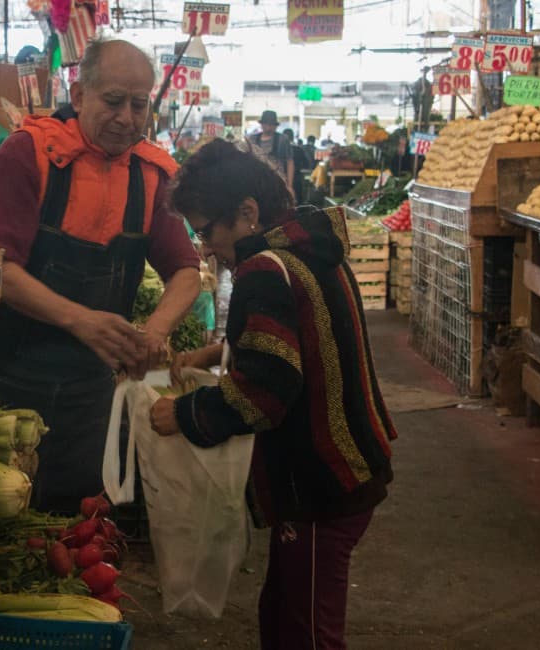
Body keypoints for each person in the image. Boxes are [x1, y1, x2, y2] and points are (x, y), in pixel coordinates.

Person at [149, 139, 396, 650]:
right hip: (352, 463)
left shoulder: (264, 269)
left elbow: (265, 393)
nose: (205, 248)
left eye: (207, 232)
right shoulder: (309, 247)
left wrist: (186, 413)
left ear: (246, 213)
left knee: (306, 631)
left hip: (320, 482)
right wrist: (218, 353)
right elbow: (300, 339)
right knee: (281, 612)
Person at [0, 38, 201, 514]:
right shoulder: (28, 154)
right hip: (2, 360)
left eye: (139, 105)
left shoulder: (151, 174)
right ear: (79, 95)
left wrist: (154, 333)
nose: (127, 118)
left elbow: (187, 272)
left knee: (77, 506)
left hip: (89, 375)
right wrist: (81, 320)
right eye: (113, 101)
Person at [249, 110, 293, 195]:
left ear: (275, 126)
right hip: (257, 182)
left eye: (271, 124)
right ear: (262, 124)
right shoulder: (252, 139)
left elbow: (289, 162)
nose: (269, 127)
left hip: (278, 182)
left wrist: (289, 186)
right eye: (266, 124)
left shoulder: (283, 139)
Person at [282, 127, 310, 204]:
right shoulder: (298, 149)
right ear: (293, 137)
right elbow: (306, 164)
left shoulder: (280, 150)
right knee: (298, 200)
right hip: (296, 178)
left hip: (281, 177)